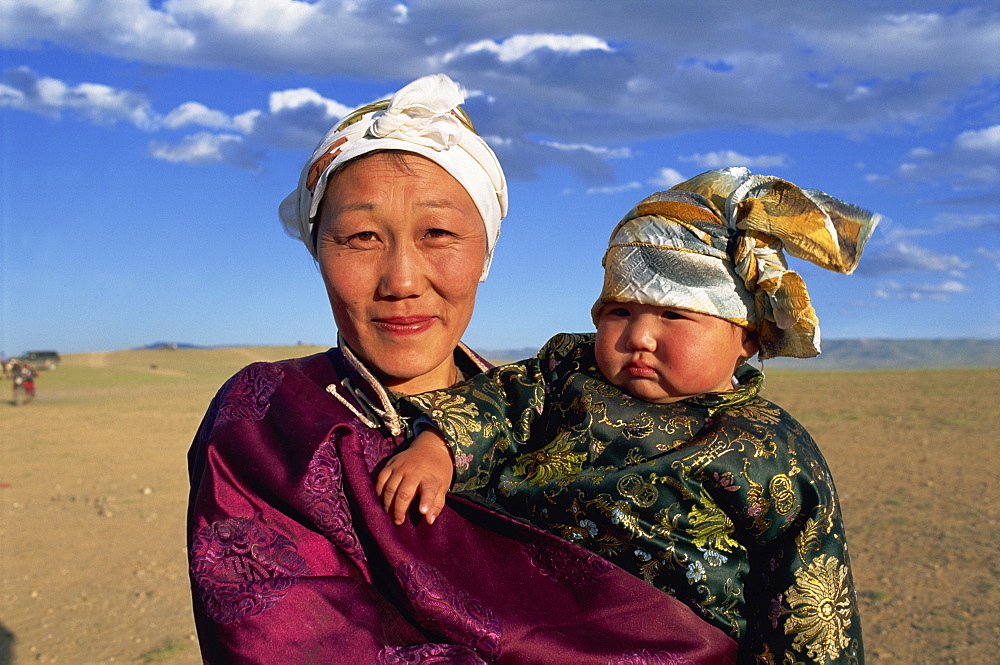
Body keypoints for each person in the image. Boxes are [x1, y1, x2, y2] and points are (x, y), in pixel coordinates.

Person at [187, 74, 737, 665]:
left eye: (439, 234)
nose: (401, 281)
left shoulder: (561, 413)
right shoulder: (269, 418)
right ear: (318, 251)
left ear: (484, 254)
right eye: (360, 237)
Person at [378, 168, 879, 664]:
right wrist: (436, 447)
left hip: (674, 646)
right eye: (618, 312)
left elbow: (809, 591)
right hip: (518, 619)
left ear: (746, 337)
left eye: (673, 315)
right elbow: (498, 404)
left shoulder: (769, 446)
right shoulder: (565, 372)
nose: (638, 335)